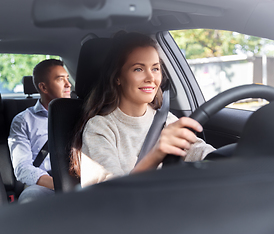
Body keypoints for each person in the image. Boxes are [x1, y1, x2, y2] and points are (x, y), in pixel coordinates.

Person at [70, 32, 215, 187]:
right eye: (138, 69)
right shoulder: (99, 128)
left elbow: (200, 151)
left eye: (155, 68)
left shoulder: (165, 119)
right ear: (117, 77)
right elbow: (110, 194)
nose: (151, 78)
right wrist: (156, 154)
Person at [8, 59, 71, 203]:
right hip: (44, 184)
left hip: (81, 179)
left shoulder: (81, 114)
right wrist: (60, 185)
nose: (68, 84)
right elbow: (22, 168)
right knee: (30, 199)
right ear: (44, 87)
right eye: (61, 80)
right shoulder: (23, 120)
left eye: (67, 78)